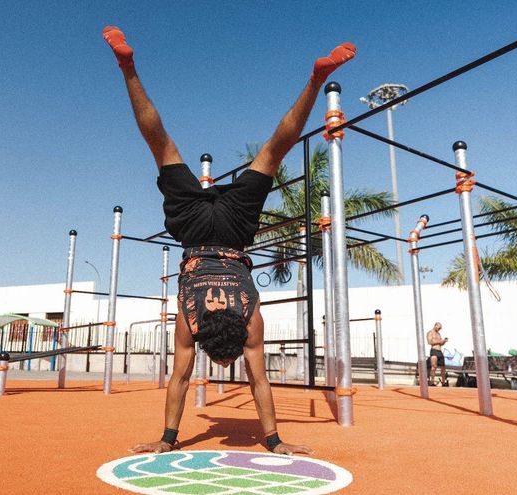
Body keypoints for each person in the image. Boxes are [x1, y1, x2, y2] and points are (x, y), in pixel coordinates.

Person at [103, 26, 355, 455]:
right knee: (161, 146)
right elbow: (184, 379)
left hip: (234, 235)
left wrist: (271, 441)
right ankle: (127, 67)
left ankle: (314, 80)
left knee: (275, 150)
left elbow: (254, 380)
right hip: (198, 233)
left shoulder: (248, 320)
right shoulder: (191, 321)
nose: (225, 365)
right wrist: (272, 442)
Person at [426, 322, 448, 386]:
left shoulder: (438, 334)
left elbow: (441, 343)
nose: (439, 329)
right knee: (434, 366)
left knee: (443, 367)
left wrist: (444, 341)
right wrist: (440, 341)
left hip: (439, 351)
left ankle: (443, 382)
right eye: (439, 327)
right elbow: (430, 342)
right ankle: (432, 381)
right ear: (435, 326)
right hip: (434, 351)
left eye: (440, 328)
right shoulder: (430, 333)